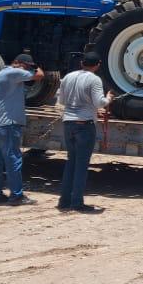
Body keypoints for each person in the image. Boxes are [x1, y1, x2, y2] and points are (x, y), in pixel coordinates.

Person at [56, 52, 113, 212]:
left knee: (71, 163)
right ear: (98, 65)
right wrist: (108, 98)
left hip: (68, 123)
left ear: (82, 63)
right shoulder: (94, 79)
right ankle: (77, 202)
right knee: (81, 166)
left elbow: (61, 100)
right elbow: (99, 102)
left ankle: (64, 200)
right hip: (84, 125)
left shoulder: (68, 77)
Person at [0, 54, 44, 206]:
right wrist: (37, 65)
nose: (27, 69)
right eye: (26, 66)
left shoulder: (3, 73)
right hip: (9, 124)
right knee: (14, 160)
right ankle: (17, 195)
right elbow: (39, 75)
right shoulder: (13, 72)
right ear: (17, 63)